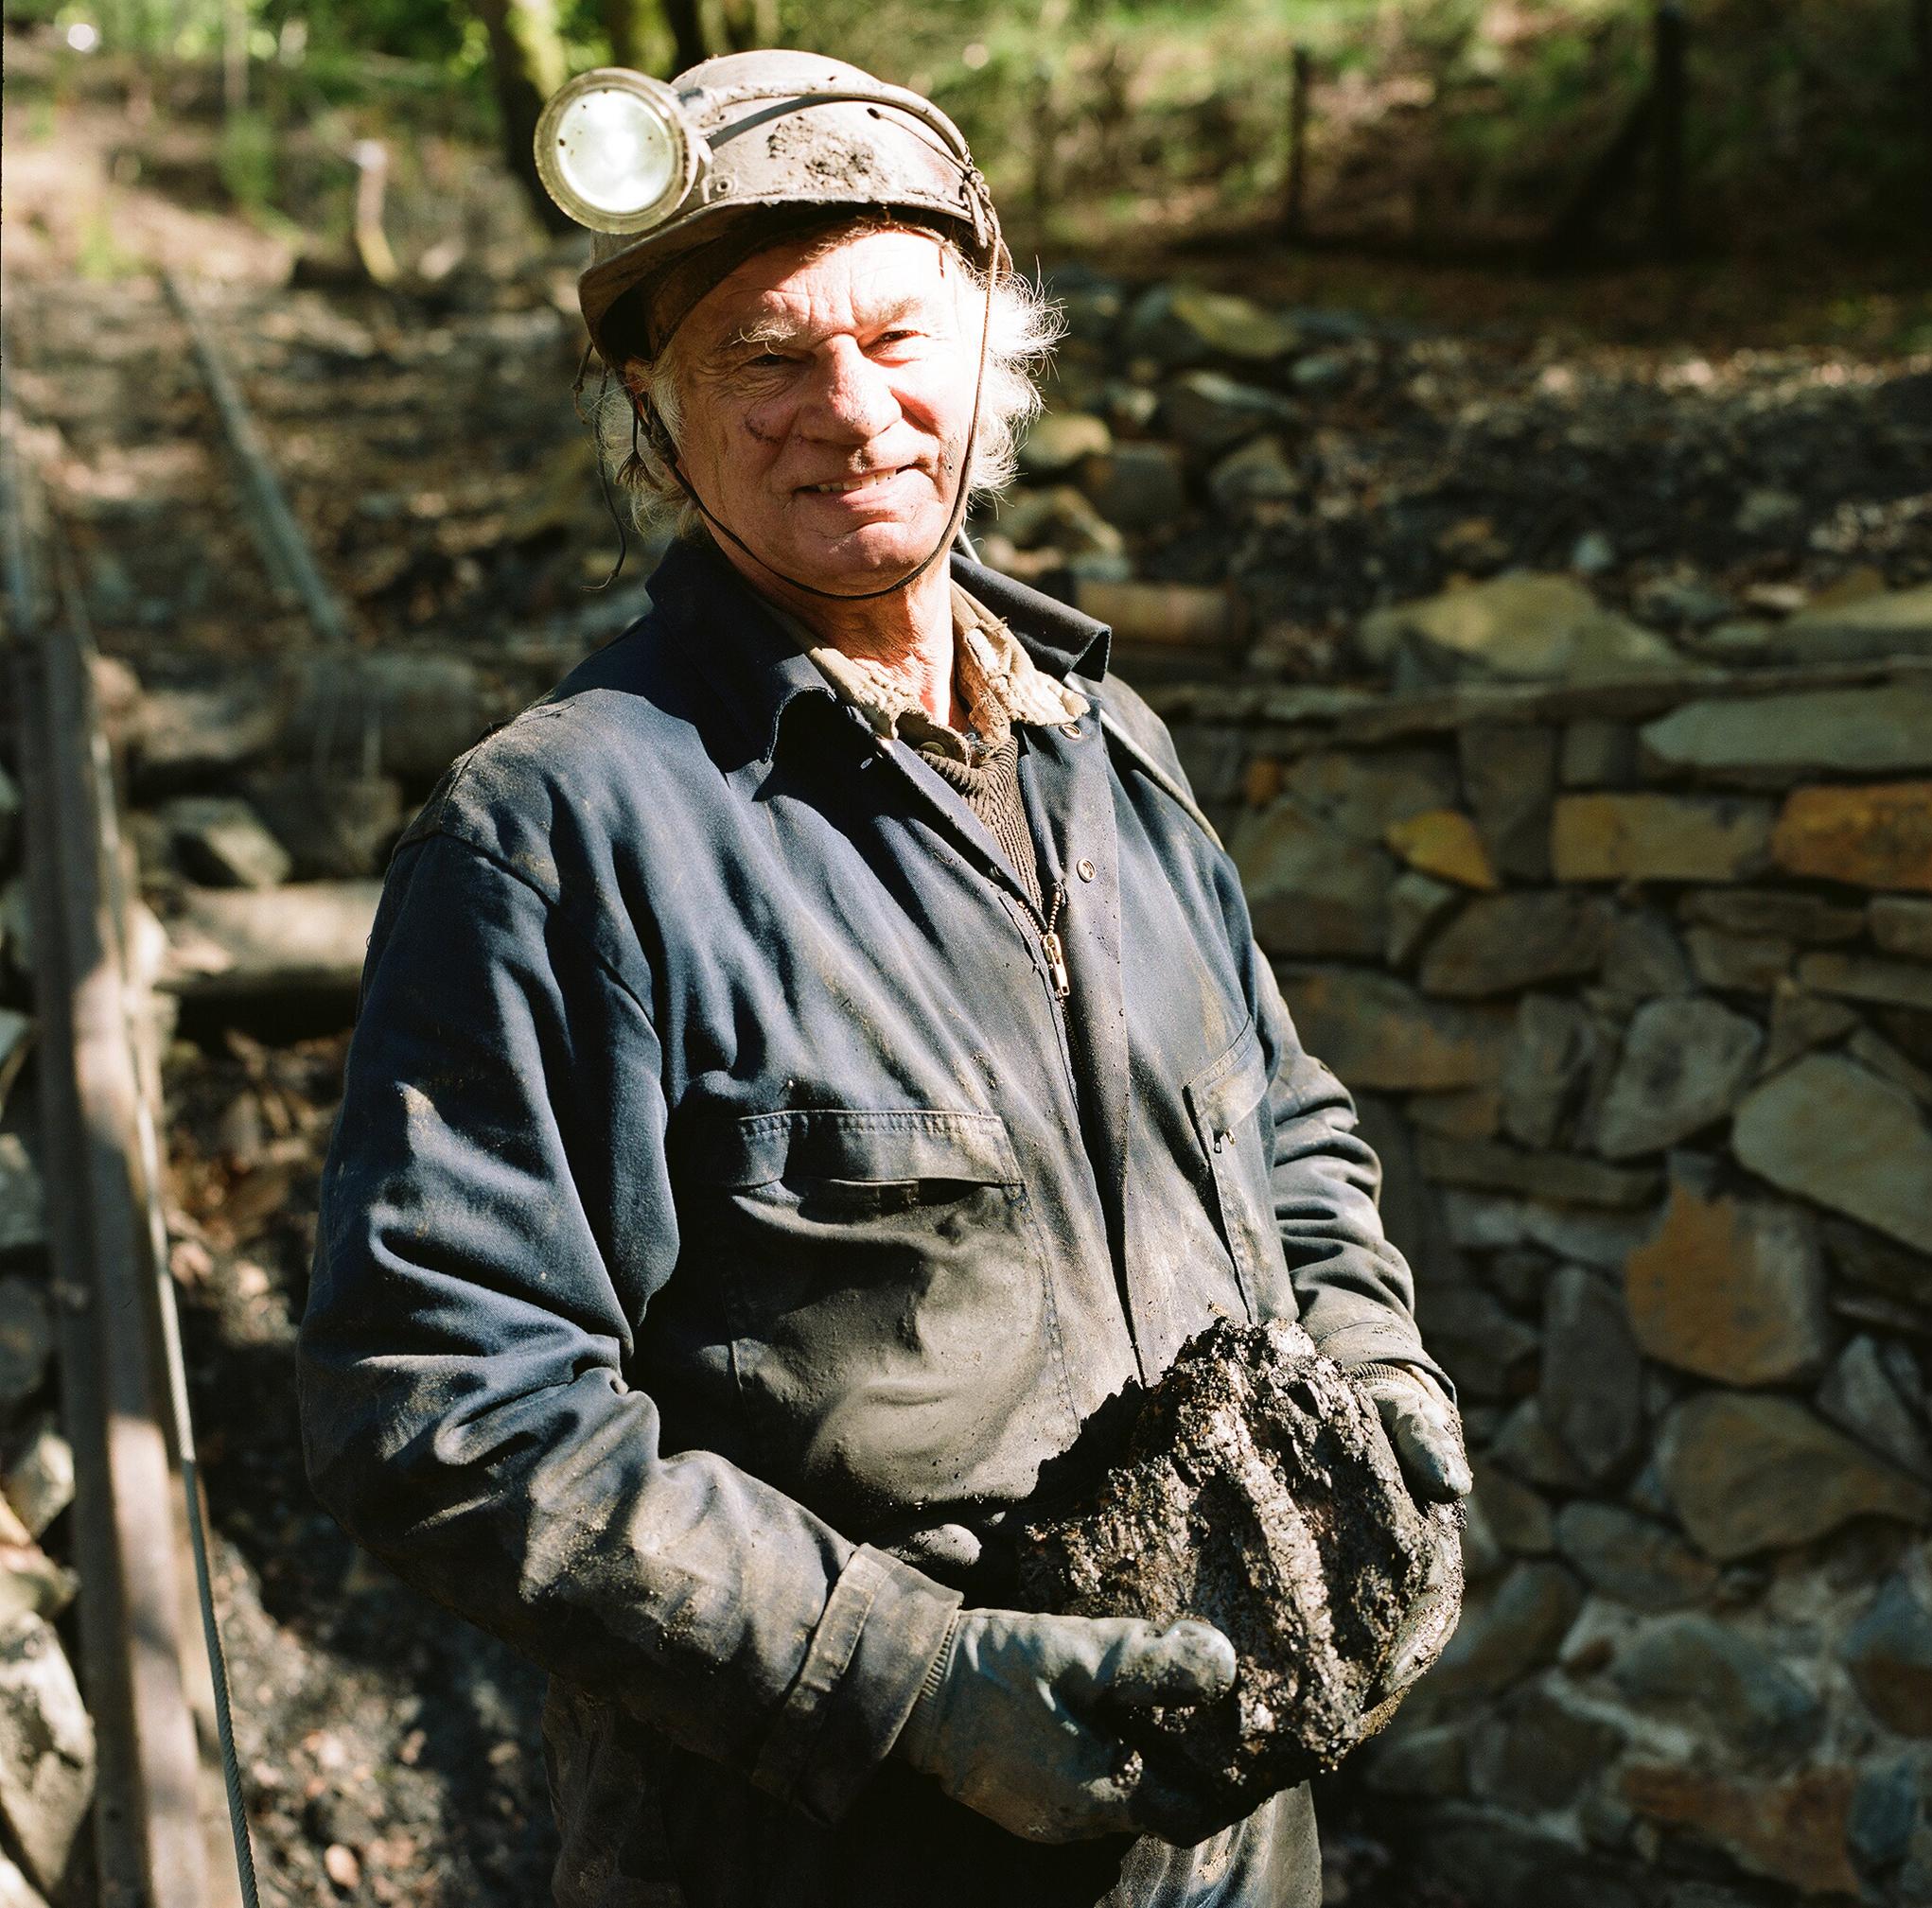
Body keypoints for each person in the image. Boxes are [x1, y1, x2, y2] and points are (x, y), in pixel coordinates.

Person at [297, 49, 1470, 1908]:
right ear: (655, 417)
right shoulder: (558, 834)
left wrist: (1381, 1389)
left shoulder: (1107, 748)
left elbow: (1291, 1137)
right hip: (820, 1852)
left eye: (897, 335)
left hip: (1230, 1843)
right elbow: (449, 1403)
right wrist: (918, 1684)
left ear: (996, 358)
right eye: (763, 358)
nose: (847, 410)